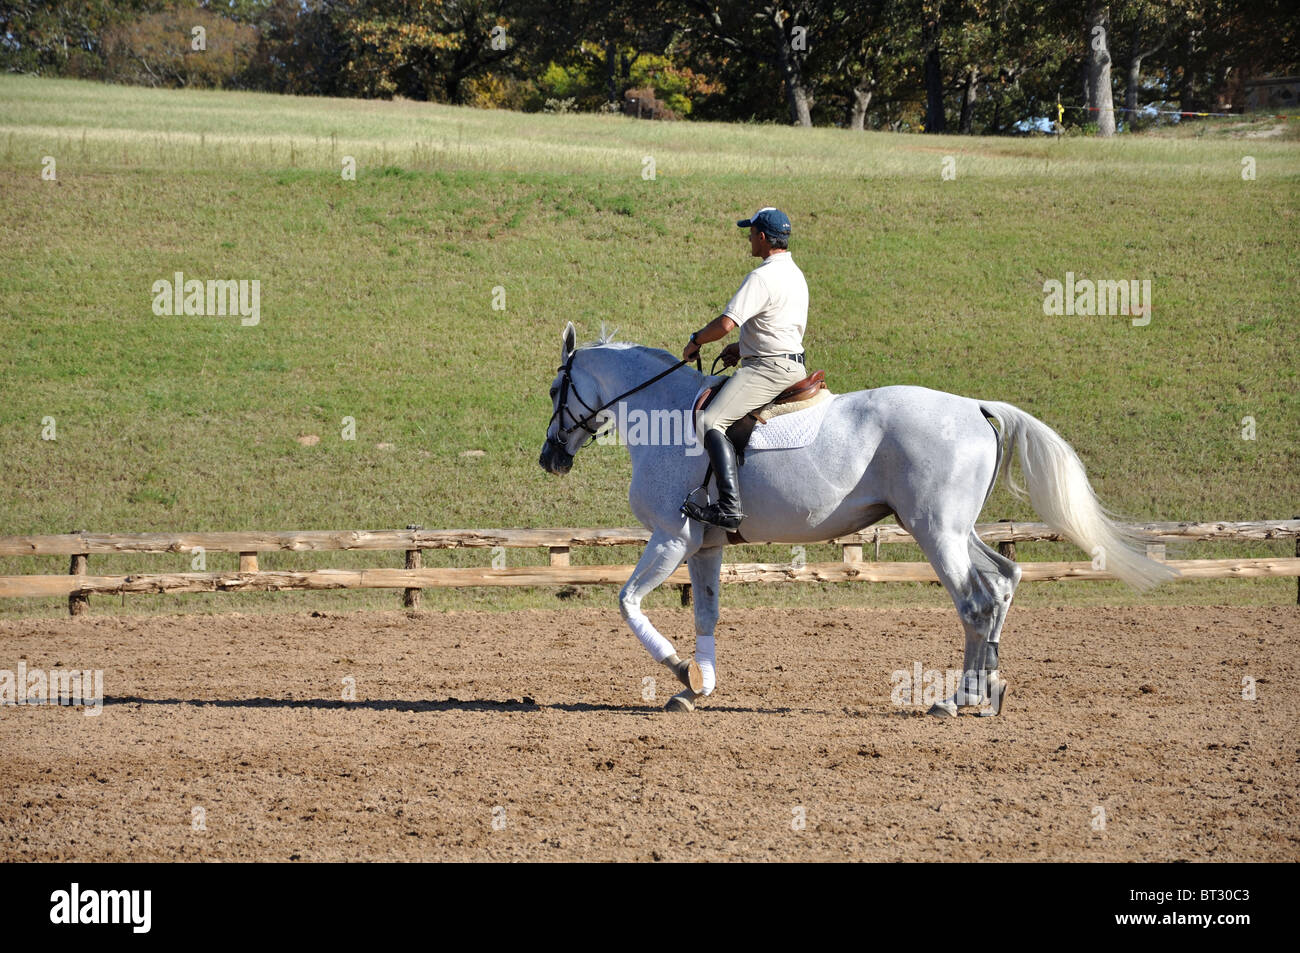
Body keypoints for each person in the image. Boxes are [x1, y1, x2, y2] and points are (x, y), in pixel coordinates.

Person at [680, 207, 809, 529]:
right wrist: (743, 347)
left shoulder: (761, 277)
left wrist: (696, 340)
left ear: (762, 237)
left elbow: (725, 324)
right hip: (792, 362)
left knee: (709, 420)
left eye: (751, 233)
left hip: (768, 370)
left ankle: (728, 507)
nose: (749, 238)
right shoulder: (794, 273)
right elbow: (779, 324)